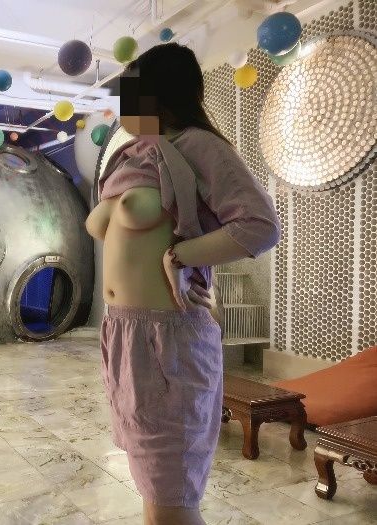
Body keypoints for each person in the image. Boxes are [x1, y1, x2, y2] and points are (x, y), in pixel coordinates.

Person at [85, 43, 281, 525]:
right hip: (123, 336)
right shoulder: (130, 156)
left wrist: (181, 255)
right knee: (155, 491)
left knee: (172, 499)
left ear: (161, 95)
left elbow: (260, 226)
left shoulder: (198, 147)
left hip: (169, 339)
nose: (123, 106)